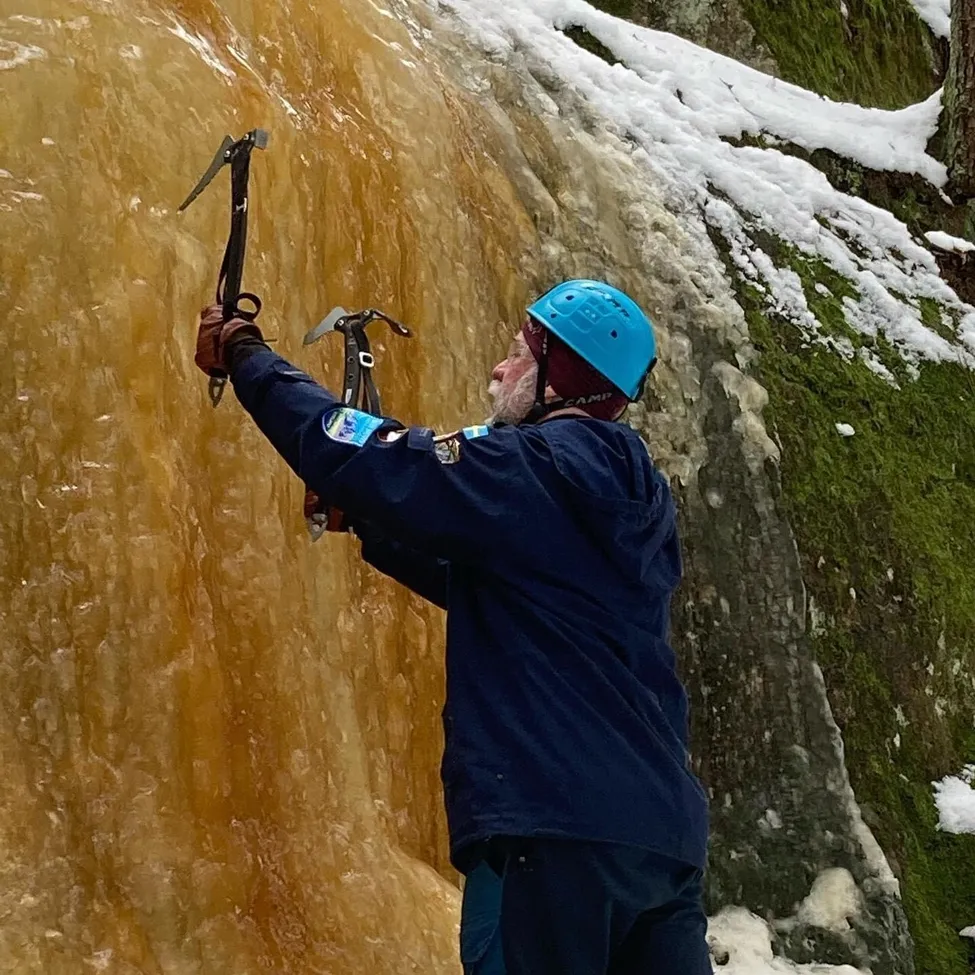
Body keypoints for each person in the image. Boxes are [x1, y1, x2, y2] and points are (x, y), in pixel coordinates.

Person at [194, 279, 711, 974]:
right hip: (661, 842)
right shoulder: (634, 500)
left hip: (550, 828)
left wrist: (248, 354)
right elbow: (501, 587)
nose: (499, 371)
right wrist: (369, 523)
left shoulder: (532, 466)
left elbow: (370, 450)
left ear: (562, 373)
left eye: (517, 354)